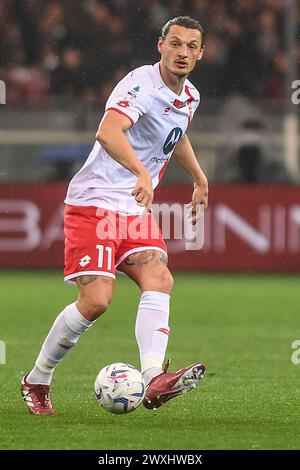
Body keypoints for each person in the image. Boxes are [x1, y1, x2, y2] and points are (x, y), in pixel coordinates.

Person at [21, 16, 209, 415]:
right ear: (160, 45)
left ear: (200, 53)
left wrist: (199, 177)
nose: (183, 52)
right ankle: (37, 378)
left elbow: (173, 136)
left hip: (132, 207)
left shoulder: (190, 96)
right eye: (175, 43)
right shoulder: (140, 83)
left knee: (159, 275)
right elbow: (107, 132)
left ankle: (155, 377)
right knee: (96, 301)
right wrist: (142, 172)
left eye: (191, 46)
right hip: (95, 201)